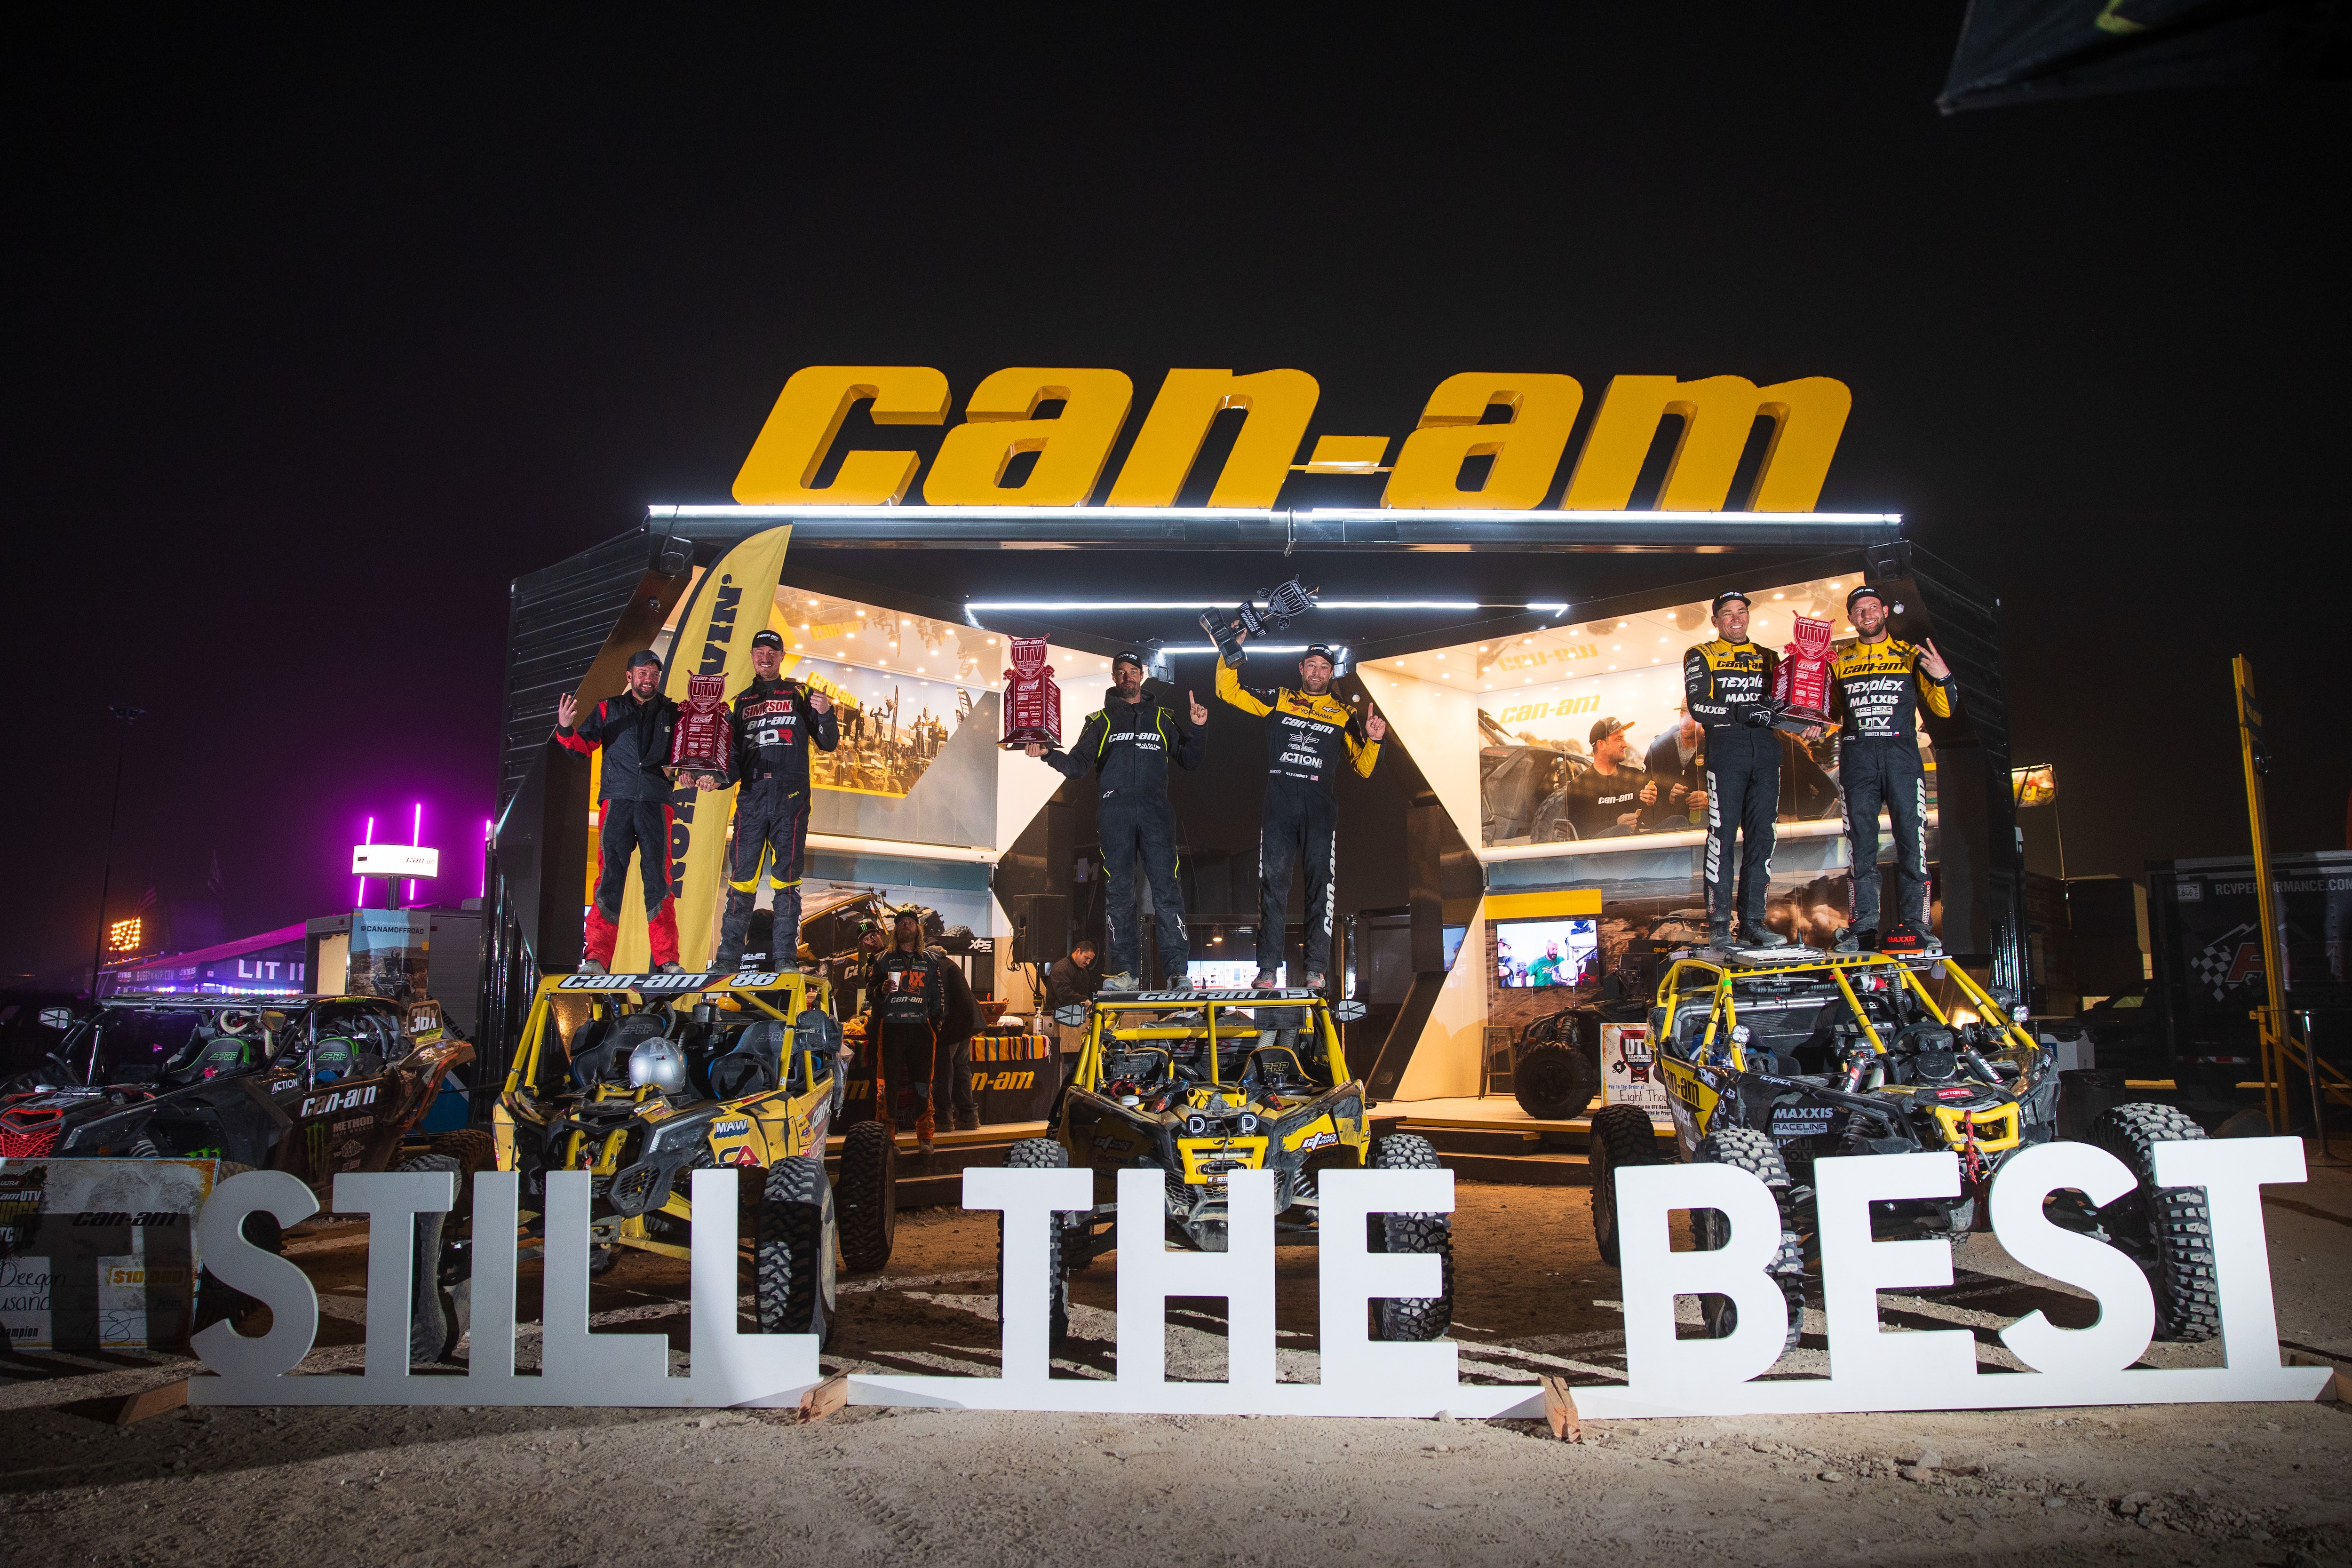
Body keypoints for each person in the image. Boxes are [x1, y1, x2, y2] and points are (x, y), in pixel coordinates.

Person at [1028, 650, 1205, 989]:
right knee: (1120, 892)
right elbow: (1078, 766)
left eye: (1133, 671)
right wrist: (1049, 754)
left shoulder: (1163, 717)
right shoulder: (1100, 720)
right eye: (1121, 672)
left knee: (1167, 890)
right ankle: (1127, 972)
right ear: (1114, 678)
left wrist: (1199, 729)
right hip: (1115, 811)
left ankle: (1177, 972)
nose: (1128, 677)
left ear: (1143, 675)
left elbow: (1190, 759)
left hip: (1156, 812)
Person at [1215, 637, 1384, 992]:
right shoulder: (1279, 698)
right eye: (1312, 666)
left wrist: (1373, 741)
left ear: (1331, 672)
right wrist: (1228, 652)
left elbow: (1364, 770)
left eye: (1324, 667)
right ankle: (1266, 970)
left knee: (1320, 889)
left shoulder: (1342, 714)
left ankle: (1316, 969)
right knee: (1273, 888)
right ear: (1301, 669)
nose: (1317, 672)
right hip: (1278, 810)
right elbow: (1227, 691)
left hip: (1320, 813)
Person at [556, 650, 703, 974]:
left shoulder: (674, 711)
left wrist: (691, 772)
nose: (647, 679)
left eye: (653, 674)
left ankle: (668, 961)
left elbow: (686, 758)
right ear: (629, 676)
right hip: (617, 803)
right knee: (609, 879)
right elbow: (580, 750)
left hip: (656, 803)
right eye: (642, 673)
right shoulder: (609, 708)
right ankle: (595, 959)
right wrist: (566, 728)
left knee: (660, 882)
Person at [1828, 583, 1955, 954]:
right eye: (1858, 611)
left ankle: (1918, 925)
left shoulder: (1909, 655)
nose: (1866, 615)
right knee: (1861, 847)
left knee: (1912, 842)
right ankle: (1863, 926)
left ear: (1884, 611)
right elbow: (1828, 715)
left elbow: (1945, 710)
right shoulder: (1840, 661)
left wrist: (1943, 677)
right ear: (1851, 618)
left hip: (1901, 756)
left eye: (1872, 608)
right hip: (1858, 758)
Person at [715, 630, 838, 971]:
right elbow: (732, 763)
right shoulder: (739, 703)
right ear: (752, 655)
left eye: (772, 651)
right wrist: (714, 778)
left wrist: (826, 713)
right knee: (740, 880)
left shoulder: (801, 693)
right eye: (759, 651)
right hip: (752, 800)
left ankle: (785, 957)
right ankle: (727, 959)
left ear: (782, 656)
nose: (765, 657)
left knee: (786, 881)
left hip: (791, 800)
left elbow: (828, 743)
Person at [1685, 590, 1788, 949]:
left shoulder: (1770, 657)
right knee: (1722, 837)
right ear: (1716, 621)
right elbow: (1699, 706)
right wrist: (1739, 713)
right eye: (1727, 614)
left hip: (1766, 754)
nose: (1736, 619)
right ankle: (1717, 925)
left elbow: (1784, 704)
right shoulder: (1701, 654)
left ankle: (1753, 923)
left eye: (1741, 612)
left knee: (1763, 839)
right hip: (1726, 755)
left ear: (1748, 616)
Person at [864, 904, 948, 1153]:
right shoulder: (881, 959)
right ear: (895, 931)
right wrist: (880, 990)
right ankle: (887, 1139)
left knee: (924, 1084)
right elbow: (870, 992)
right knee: (888, 1085)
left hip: (921, 1029)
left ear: (918, 929)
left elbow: (938, 994)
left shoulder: (931, 961)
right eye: (901, 923)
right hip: (891, 1028)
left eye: (910, 923)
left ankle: (926, 1138)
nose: (906, 926)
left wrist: (937, 1021)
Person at [1562, 716, 1646, 837]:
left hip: (1638, 848)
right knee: (1623, 830)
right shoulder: (1578, 787)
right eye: (1619, 739)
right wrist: (1616, 824)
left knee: (1677, 821)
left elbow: (1650, 821)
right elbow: (1578, 833)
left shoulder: (1635, 776)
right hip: (1601, 853)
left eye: (1624, 738)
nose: (1625, 744)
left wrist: (1651, 804)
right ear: (1601, 745)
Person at [930, 935, 981, 1130]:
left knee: (943, 1071)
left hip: (952, 1025)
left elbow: (939, 1001)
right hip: (967, 1024)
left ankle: (944, 1118)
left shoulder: (933, 966)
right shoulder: (948, 963)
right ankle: (969, 1117)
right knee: (961, 1068)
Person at [1641, 706, 1708, 829]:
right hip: (1671, 833)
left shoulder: (1718, 746)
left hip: (1707, 830)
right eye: (1682, 716)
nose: (1685, 722)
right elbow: (1646, 803)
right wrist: (1668, 798)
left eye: (1692, 717)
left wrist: (1709, 800)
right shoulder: (1659, 747)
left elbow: (1735, 791)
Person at [1045, 939, 1099, 1077]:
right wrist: (1084, 1001)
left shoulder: (1084, 973)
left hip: (1077, 1020)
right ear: (1078, 951)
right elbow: (1063, 993)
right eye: (1086, 958)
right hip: (1059, 1019)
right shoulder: (1061, 968)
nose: (1088, 963)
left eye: (1090, 960)